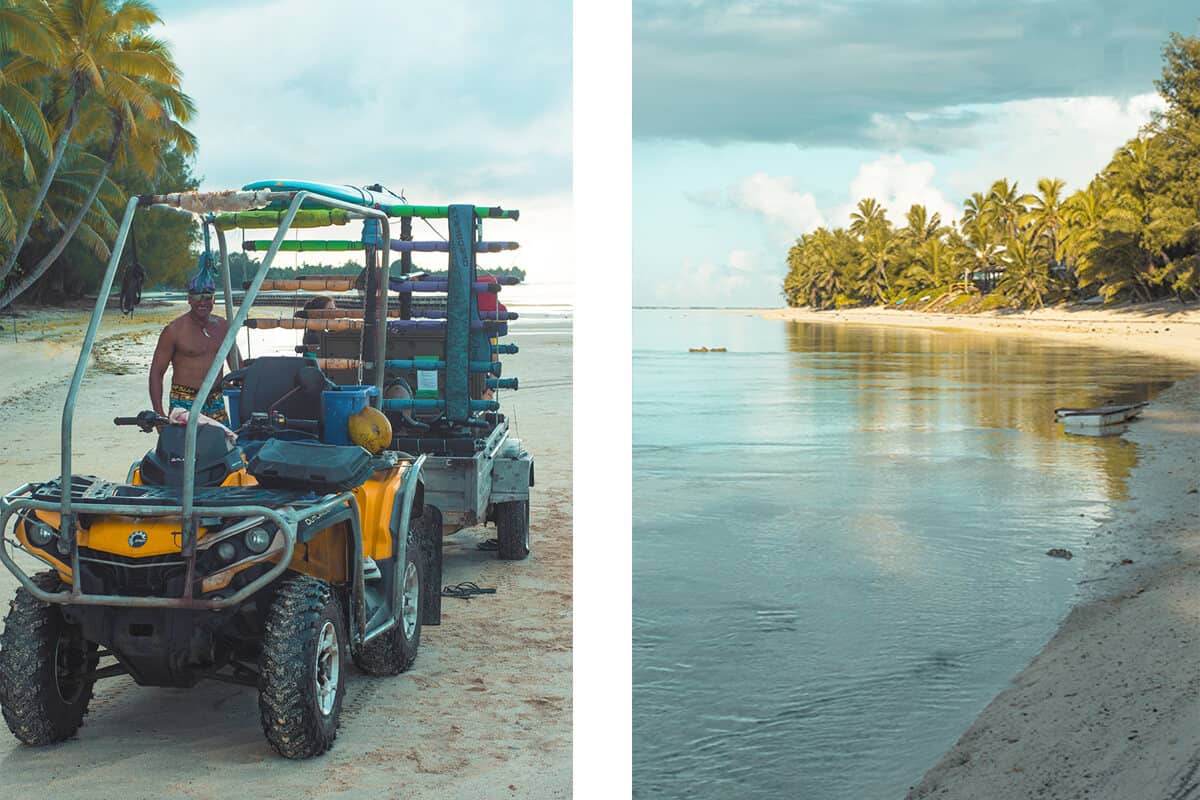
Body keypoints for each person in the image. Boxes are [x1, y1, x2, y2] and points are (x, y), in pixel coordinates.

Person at [150, 273, 232, 424]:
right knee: (182, 446)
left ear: (214, 299)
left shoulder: (223, 327)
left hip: (216, 401)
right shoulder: (174, 330)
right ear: (189, 299)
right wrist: (159, 413)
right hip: (184, 402)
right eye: (196, 297)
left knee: (224, 443)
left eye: (207, 297)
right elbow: (156, 373)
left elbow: (237, 366)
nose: (202, 302)